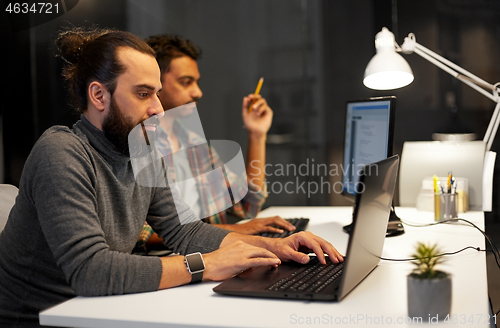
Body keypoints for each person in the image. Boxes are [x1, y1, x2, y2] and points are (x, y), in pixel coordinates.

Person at [0, 27, 343, 327]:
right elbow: (92, 271)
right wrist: (207, 264)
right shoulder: (61, 152)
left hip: (99, 309)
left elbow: (185, 230)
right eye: (143, 94)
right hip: (45, 317)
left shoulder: (144, 149)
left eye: (157, 94)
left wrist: (272, 247)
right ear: (99, 95)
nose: (158, 110)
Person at [135, 34, 294, 251]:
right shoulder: (136, 147)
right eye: (186, 82)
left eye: (197, 82)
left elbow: (247, 205)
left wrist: (257, 134)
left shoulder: (195, 146)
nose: (197, 92)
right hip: (172, 267)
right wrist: (236, 230)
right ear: (156, 82)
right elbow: (138, 232)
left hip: (217, 257)